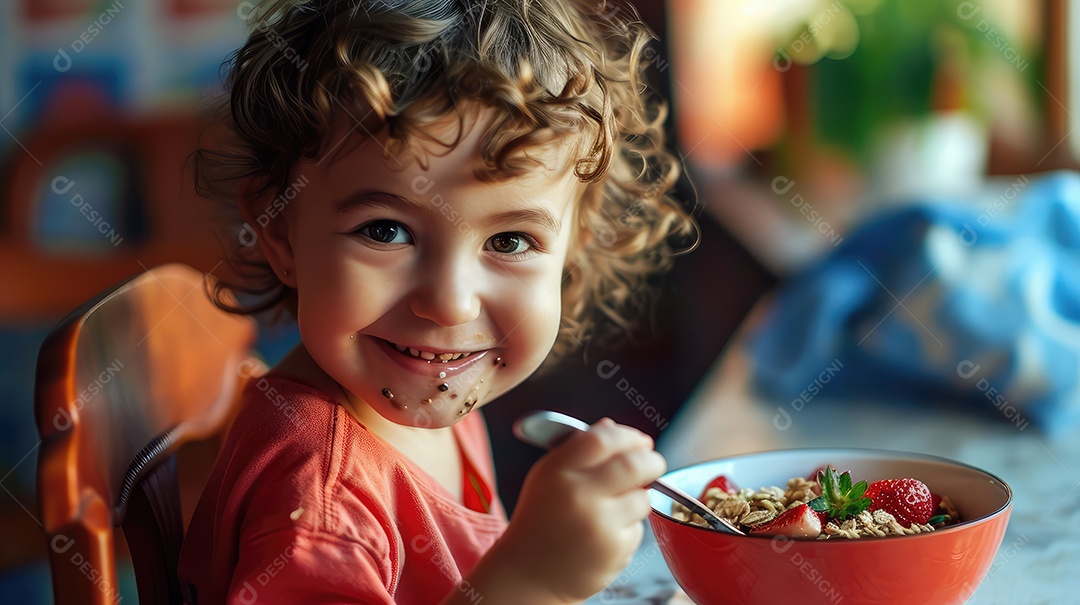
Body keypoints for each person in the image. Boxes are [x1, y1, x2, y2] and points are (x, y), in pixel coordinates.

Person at [178, 0, 694, 603]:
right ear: (279, 232)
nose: (449, 305)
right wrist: (530, 582)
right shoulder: (320, 494)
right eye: (385, 231)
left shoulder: (421, 381)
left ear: (573, 248)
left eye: (509, 241)